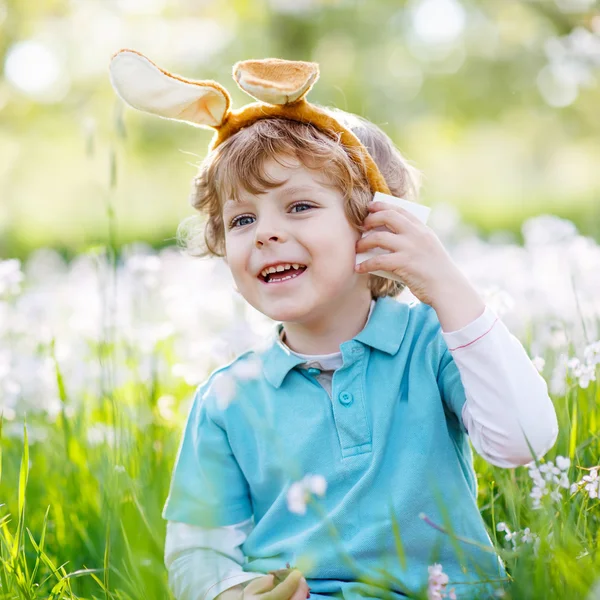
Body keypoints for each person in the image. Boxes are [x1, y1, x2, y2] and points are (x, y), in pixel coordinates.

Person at [108, 52, 559, 600]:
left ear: (377, 225)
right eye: (243, 219)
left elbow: (524, 441)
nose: (266, 233)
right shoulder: (227, 400)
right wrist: (232, 592)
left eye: (298, 206)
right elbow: (200, 548)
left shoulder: (432, 347)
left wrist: (445, 285)